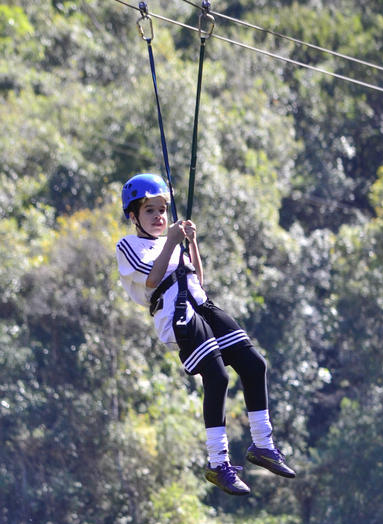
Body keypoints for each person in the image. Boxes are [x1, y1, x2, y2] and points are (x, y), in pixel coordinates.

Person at [115, 173, 295, 496]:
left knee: (255, 365)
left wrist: (191, 242)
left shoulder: (169, 241)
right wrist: (171, 240)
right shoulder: (129, 246)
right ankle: (218, 463)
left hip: (202, 305)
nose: (158, 217)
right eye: (149, 211)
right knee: (217, 376)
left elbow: (198, 277)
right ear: (134, 216)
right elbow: (153, 281)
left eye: (162, 210)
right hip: (176, 313)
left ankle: (263, 444)